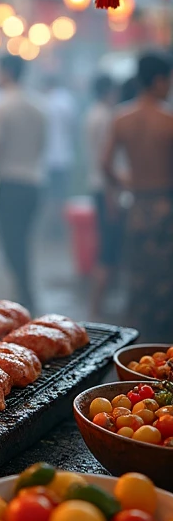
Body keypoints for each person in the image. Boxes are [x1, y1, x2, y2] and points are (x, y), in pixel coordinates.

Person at [102, 51, 173, 340]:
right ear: (158, 80)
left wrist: (127, 183)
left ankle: (138, 342)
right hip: (165, 207)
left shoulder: (122, 118)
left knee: (138, 279)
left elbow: (105, 164)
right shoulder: (168, 119)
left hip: (137, 205)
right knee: (166, 280)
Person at [0, 54, 47, 315]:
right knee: (23, 241)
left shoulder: (1, 106)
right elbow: (43, 145)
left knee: (12, 243)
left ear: (6, 72)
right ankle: (24, 293)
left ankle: (23, 296)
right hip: (33, 183)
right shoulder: (38, 106)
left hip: (9, 183)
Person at [85, 73, 121, 317]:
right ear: (109, 91)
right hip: (106, 189)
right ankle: (97, 305)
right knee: (108, 249)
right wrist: (112, 196)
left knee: (105, 245)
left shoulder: (92, 114)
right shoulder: (107, 117)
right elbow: (105, 161)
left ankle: (98, 303)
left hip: (98, 187)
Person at [42, 73, 77, 237]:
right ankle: (60, 229)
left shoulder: (42, 102)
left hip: (46, 158)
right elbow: (72, 128)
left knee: (49, 196)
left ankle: (52, 230)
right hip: (63, 156)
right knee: (61, 195)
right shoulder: (66, 101)